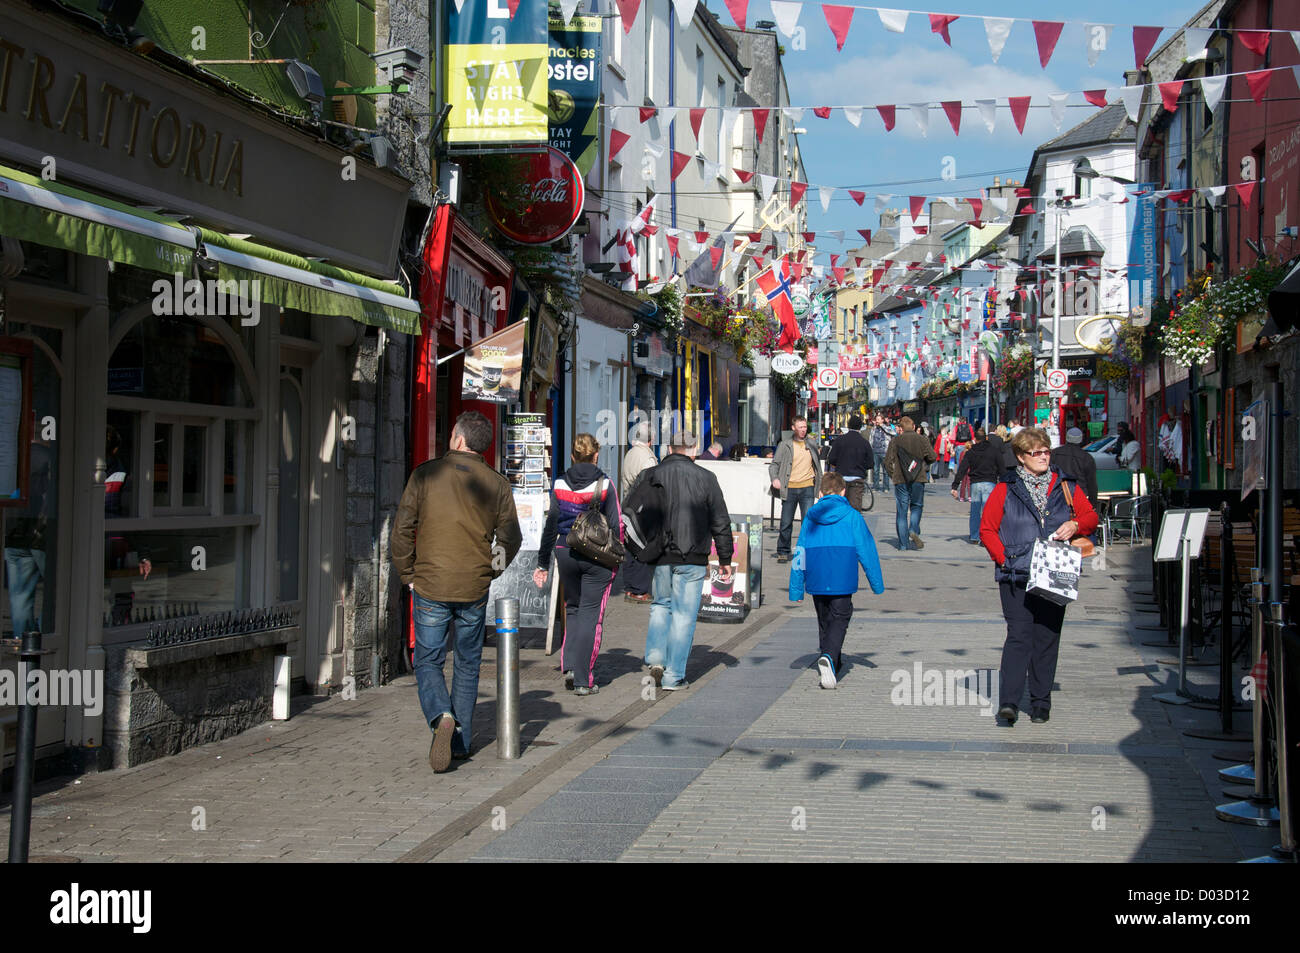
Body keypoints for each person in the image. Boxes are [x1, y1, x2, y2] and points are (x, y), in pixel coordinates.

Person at [392, 410, 522, 772]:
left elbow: (403, 529)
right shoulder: (496, 483)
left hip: (431, 583)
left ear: (458, 440)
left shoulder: (426, 474)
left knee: (429, 660)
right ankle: (460, 742)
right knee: (467, 663)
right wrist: (491, 570)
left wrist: (408, 574)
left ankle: (440, 716)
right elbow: (510, 538)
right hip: (473, 586)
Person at [979, 427, 1098, 726]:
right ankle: (1009, 702)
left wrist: (1075, 526)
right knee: (1019, 637)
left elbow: (1091, 517)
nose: (1044, 457)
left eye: (1046, 451)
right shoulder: (1005, 487)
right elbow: (987, 529)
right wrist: (1004, 559)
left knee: (1047, 638)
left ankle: (1041, 702)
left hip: (1056, 571)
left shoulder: (1066, 485)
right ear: (1021, 457)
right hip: (1016, 573)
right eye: (1037, 453)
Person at [640, 430, 733, 691]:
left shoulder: (652, 475)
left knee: (660, 605)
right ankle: (673, 676)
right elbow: (720, 520)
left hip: (660, 554)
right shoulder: (707, 477)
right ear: (694, 451)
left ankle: (656, 658)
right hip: (693, 554)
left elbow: (636, 510)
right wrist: (724, 557)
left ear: (669, 449)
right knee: (683, 615)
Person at [534, 433, 622, 696]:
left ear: (572, 455)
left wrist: (542, 563)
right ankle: (584, 679)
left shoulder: (560, 482)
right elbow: (616, 525)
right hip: (596, 556)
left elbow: (551, 523)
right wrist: (619, 559)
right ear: (596, 455)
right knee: (590, 615)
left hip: (565, 551)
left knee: (572, 608)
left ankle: (571, 665)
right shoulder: (605, 485)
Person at [788, 473, 885, 689]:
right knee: (840, 617)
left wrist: (796, 588)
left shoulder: (810, 517)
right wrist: (876, 583)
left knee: (825, 620)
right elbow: (867, 550)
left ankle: (831, 664)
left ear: (820, 493)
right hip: (842, 577)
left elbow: (800, 552)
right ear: (843, 492)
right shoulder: (852, 516)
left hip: (816, 576)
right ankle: (830, 657)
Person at [769, 416, 822, 564]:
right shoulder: (785, 445)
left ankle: (807, 551)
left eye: (804, 427)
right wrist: (775, 479)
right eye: (800, 427)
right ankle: (783, 551)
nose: (803, 430)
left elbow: (817, 467)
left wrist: (820, 486)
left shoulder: (811, 443)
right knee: (786, 522)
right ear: (793, 428)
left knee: (808, 522)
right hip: (790, 488)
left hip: (807, 488)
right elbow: (774, 465)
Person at [883, 416, 937, 550]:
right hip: (918, 478)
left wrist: (892, 475)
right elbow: (933, 456)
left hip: (900, 479)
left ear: (900, 428)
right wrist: (923, 464)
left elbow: (887, 462)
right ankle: (913, 529)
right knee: (917, 506)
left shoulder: (895, 441)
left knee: (901, 512)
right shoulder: (922, 439)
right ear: (913, 427)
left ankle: (903, 545)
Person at [621, 422, 658, 603]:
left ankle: (629, 588)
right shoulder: (648, 459)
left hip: (627, 505)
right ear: (651, 440)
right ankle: (640, 590)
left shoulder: (630, 453)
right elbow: (649, 486)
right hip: (642, 509)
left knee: (629, 548)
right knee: (643, 547)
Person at [950, 427, 1001, 544]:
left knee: (975, 510)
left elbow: (962, 468)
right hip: (990, 482)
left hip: (975, 483)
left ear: (975, 439)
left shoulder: (971, 452)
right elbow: (1001, 466)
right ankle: (986, 536)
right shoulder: (993, 451)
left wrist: (955, 485)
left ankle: (974, 535)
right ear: (986, 438)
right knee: (988, 511)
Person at [827, 413, 873, 512]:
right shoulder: (864, 443)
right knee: (854, 511)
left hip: (841, 479)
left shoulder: (840, 440)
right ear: (860, 427)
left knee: (840, 509)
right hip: (857, 479)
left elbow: (831, 459)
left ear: (848, 426)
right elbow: (870, 463)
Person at [1051, 427, 1099, 509]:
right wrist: (1092, 504)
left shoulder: (1055, 453)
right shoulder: (1086, 457)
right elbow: (1091, 483)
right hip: (1079, 495)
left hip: (1058, 494)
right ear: (1081, 439)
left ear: (1067, 438)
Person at [869, 414, 893, 493]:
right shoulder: (873, 429)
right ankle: (875, 487)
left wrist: (883, 425)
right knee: (876, 470)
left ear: (882, 420)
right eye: (876, 419)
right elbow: (871, 439)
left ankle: (886, 487)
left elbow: (893, 433)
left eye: (879, 419)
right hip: (875, 451)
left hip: (884, 451)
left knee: (885, 470)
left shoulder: (887, 428)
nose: (877, 421)